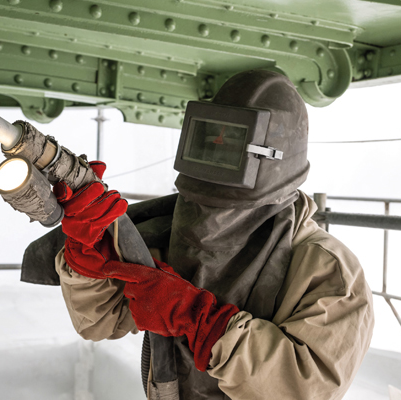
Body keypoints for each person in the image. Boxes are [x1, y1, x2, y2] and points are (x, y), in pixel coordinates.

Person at [51, 70, 374, 400]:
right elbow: (99, 321)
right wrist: (89, 257)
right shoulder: (176, 229)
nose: (219, 148)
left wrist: (199, 319)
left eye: (232, 142)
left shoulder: (329, 270)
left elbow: (306, 388)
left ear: (274, 157)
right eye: (212, 139)